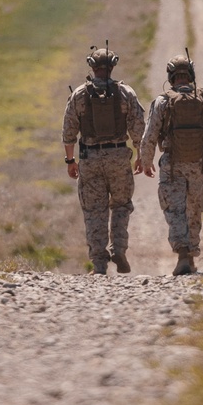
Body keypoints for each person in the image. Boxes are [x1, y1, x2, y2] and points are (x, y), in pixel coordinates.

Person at [61, 45, 146, 274]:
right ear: (112, 66)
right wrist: (140, 156)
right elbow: (138, 128)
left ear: (92, 66)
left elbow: (68, 132)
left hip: (90, 159)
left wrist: (70, 161)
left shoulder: (79, 94)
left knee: (94, 210)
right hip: (119, 157)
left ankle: (99, 263)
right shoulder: (126, 93)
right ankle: (118, 249)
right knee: (121, 205)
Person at [138, 55, 203, 276]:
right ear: (191, 75)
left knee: (175, 210)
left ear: (171, 76)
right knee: (194, 210)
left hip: (172, 164)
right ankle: (192, 256)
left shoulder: (162, 101)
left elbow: (149, 136)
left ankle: (183, 254)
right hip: (198, 163)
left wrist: (146, 162)